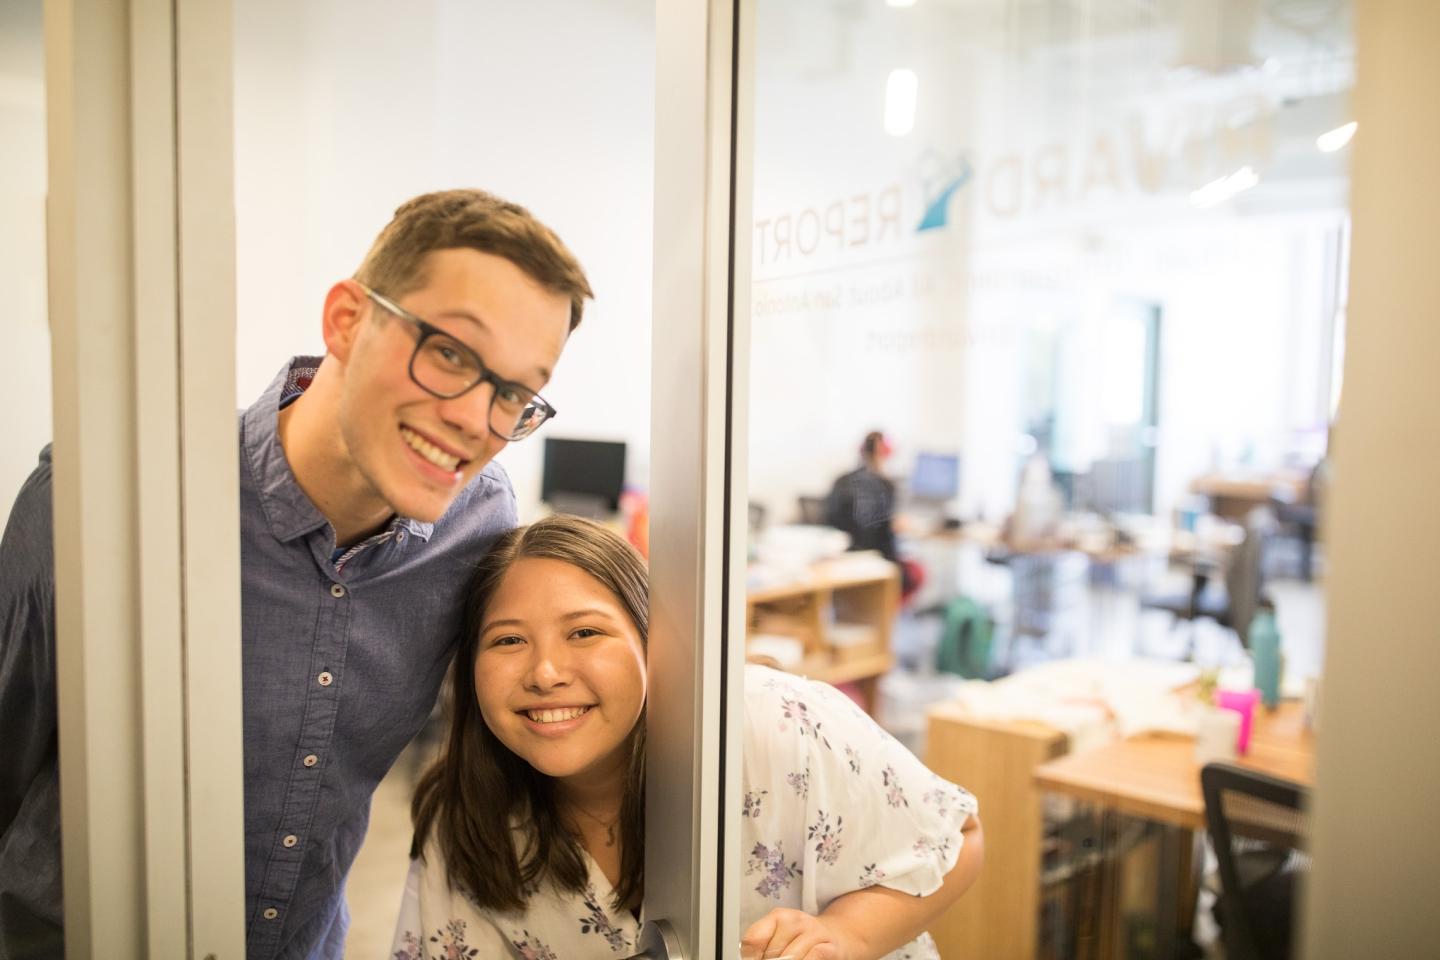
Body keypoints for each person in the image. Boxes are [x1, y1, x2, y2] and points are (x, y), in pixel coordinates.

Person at [0, 189, 592, 959]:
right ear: (347, 320)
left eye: (513, 393)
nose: (477, 421)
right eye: (450, 353)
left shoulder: (479, 524)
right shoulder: (107, 498)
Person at [390, 515, 982, 959]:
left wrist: (844, 935)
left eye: (585, 632)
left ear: (653, 643)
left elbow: (955, 837)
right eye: (508, 641)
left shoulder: (773, 722)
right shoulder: (466, 818)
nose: (546, 673)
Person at [825, 431, 918, 596]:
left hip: (839, 558)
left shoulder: (841, 480)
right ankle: (888, 615)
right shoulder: (885, 485)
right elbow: (887, 536)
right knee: (916, 573)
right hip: (873, 560)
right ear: (883, 454)